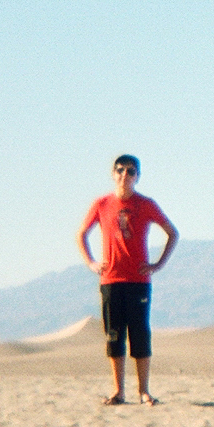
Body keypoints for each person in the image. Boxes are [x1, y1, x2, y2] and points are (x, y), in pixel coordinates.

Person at [77, 154, 178, 404]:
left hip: (138, 281)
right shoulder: (101, 204)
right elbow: (82, 234)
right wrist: (90, 262)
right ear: (113, 174)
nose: (125, 175)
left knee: (140, 334)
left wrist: (158, 264)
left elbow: (172, 233)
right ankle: (118, 391)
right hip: (111, 280)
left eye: (131, 171)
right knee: (114, 336)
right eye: (120, 170)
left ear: (137, 176)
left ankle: (144, 391)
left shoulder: (146, 205)